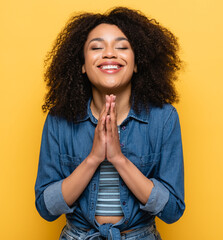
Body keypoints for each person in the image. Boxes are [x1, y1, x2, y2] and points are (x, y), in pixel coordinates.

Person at [35, 6, 185, 240]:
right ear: (82, 66)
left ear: (137, 63)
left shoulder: (163, 118)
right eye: (96, 47)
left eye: (122, 47)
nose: (109, 54)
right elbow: (46, 208)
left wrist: (118, 159)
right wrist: (94, 158)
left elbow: (173, 210)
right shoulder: (59, 120)